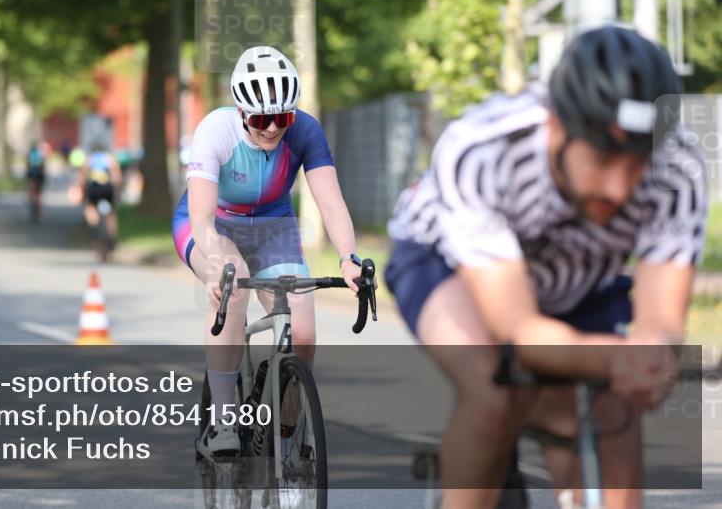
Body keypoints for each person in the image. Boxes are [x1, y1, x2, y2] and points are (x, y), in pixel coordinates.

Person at [384, 25, 707, 509]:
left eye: (636, 164)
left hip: (579, 274)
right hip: (448, 261)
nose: (619, 189)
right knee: (496, 390)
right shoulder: (482, 148)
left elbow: (661, 322)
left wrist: (650, 357)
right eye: (601, 158)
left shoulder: (678, 170)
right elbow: (519, 331)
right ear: (556, 125)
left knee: (614, 417)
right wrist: (614, 357)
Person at [172, 45, 367, 455]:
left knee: (304, 330)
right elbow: (203, 220)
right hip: (211, 224)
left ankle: (287, 433)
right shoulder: (215, 130)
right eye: (262, 120)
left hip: (274, 228)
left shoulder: (305, 131)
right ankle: (223, 423)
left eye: (283, 117)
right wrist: (218, 261)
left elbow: (331, 202)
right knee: (233, 285)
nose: (274, 128)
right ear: (242, 111)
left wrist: (348, 258)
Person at [77, 139, 122, 247]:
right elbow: (117, 177)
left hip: (93, 188)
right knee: (111, 214)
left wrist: (83, 192)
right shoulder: (109, 158)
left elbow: (82, 179)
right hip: (107, 188)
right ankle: (111, 237)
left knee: (91, 207)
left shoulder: (89, 159)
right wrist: (116, 190)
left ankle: (94, 227)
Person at [25, 141, 47, 222]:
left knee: (31, 189)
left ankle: (31, 200)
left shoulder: (29, 154)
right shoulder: (40, 154)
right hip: (39, 174)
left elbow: (27, 165)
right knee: (39, 192)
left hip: (31, 173)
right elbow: (43, 165)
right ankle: (39, 207)